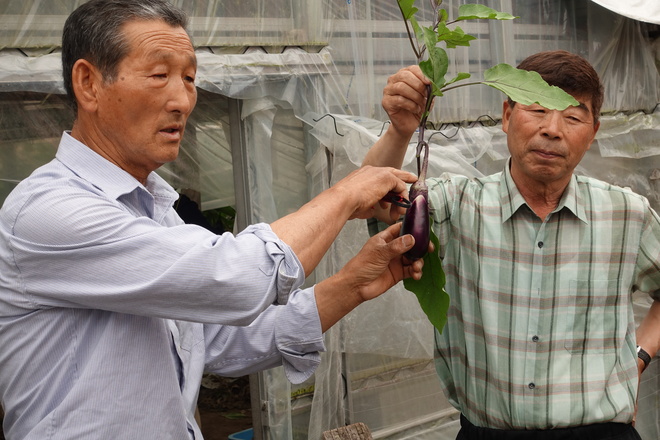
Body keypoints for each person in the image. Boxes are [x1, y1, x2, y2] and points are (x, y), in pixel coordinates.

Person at [0, 1, 427, 439]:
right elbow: (238, 278)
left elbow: (219, 341)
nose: (183, 100)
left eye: (189, 78)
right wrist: (345, 194)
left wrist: (354, 284)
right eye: (159, 75)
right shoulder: (49, 211)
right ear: (89, 83)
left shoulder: (157, 212)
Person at [364, 51, 660, 439]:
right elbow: (373, 202)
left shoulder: (626, 214)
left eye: (572, 117)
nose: (552, 129)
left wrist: (639, 356)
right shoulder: (457, 204)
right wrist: (400, 131)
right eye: (538, 110)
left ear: (593, 132)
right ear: (506, 116)